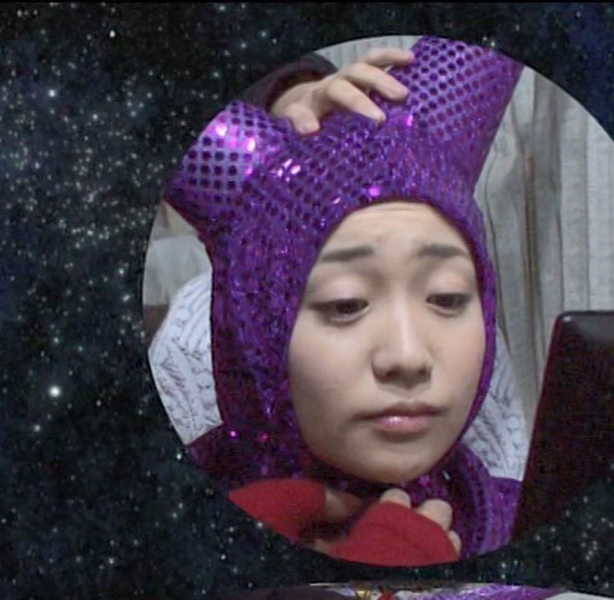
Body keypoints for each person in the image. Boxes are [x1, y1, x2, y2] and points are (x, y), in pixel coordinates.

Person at [150, 36, 528, 566]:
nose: (407, 357)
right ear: (255, 329)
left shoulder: (527, 517)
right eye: (346, 304)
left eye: (446, 297)